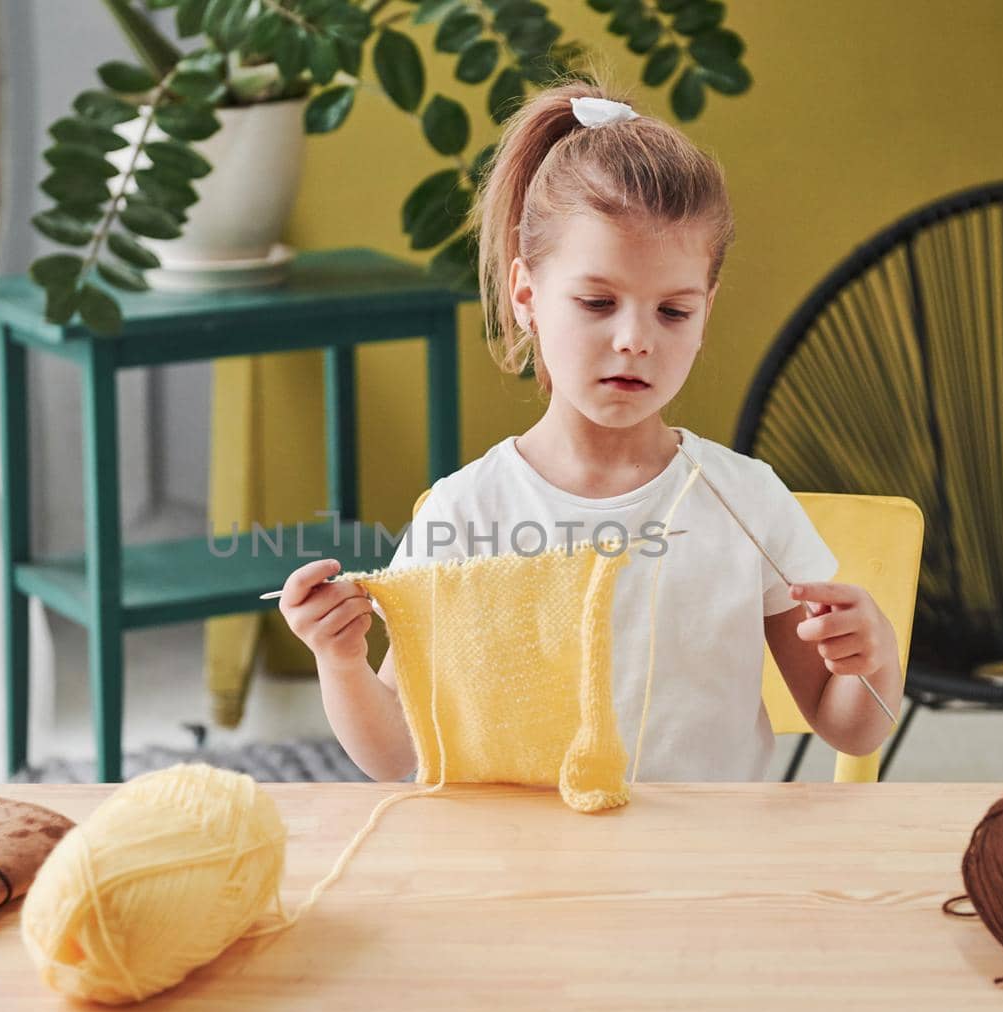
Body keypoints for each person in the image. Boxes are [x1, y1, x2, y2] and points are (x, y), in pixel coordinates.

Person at [278, 79, 901, 783]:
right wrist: (339, 660)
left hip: (710, 874)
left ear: (707, 312)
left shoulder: (746, 502)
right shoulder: (468, 513)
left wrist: (871, 655)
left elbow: (850, 726)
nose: (635, 339)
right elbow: (400, 756)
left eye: (673, 312)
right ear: (526, 297)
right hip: (538, 873)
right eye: (598, 302)